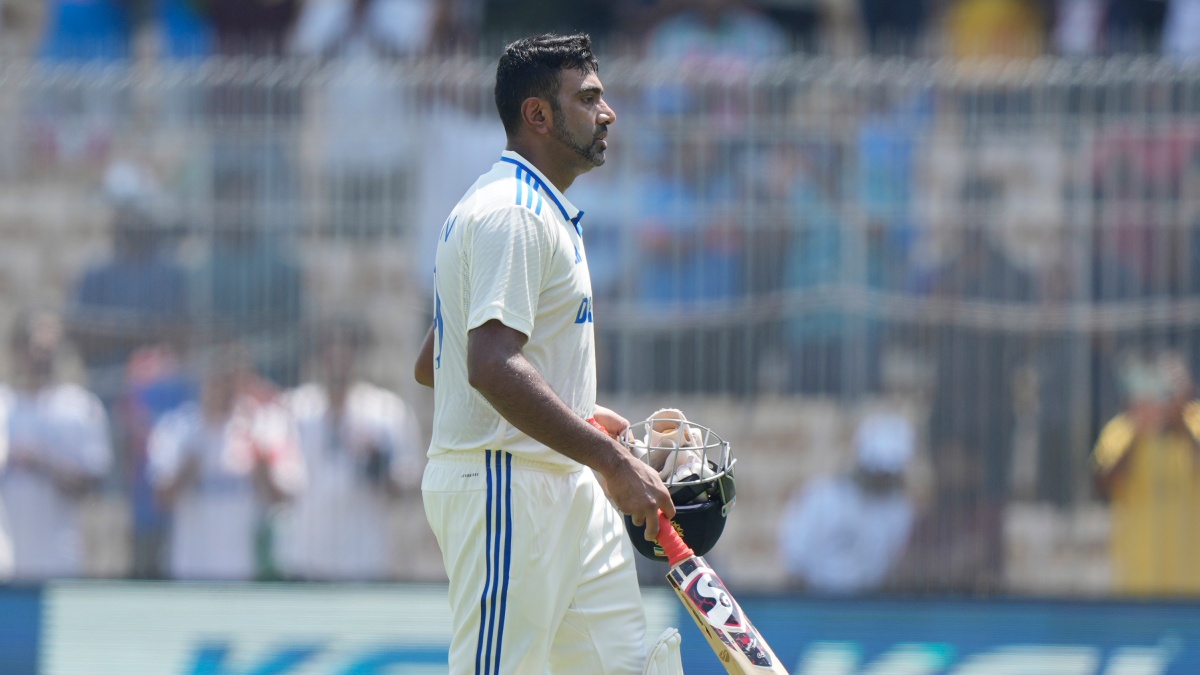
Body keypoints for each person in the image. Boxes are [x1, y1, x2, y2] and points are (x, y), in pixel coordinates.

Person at [414, 34, 680, 674]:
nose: (608, 112)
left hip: (560, 481)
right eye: (588, 98)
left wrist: (580, 414)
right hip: (506, 481)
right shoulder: (515, 213)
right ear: (538, 115)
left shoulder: (538, 209)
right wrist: (611, 460)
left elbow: (435, 361)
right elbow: (486, 364)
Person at [275, 319, 423, 581]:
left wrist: (375, 463)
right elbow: (278, 485)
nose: (337, 357)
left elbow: (406, 486)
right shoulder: (295, 408)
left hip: (364, 559)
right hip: (304, 558)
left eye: (346, 349)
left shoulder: (386, 411)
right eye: (329, 348)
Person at [147, 343, 304, 581]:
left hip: (245, 574)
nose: (224, 388)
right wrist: (188, 469)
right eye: (219, 379)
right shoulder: (177, 428)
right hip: (190, 570)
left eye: (233, 380)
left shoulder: (265, 427)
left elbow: (285, 499)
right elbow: (161, 498)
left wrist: (261, 467)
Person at [0, 311, 112, 581]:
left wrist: (42, 462)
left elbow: (90, 484)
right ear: (18, 349)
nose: (44, 357)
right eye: (37, 348)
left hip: (58, 562)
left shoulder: (79, 406)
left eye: (51, 349)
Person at [1092, 350, 1200, 595]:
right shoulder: (1122, 429)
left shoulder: (1196, 422)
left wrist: (1181, 425)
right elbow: (1102, 484)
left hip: (1192, 582)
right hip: (1138, 580)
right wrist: (1138, 434)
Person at [777, 412, 915, 594]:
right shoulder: (820, 496)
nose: (881, 479)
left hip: (869, 610)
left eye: (888, 474)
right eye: (877, 471)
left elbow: (891, 569)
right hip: (814, 603)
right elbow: (795, 559)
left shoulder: (900, 512)